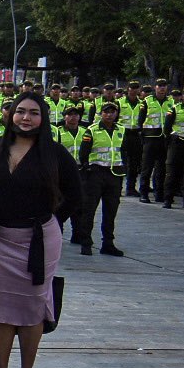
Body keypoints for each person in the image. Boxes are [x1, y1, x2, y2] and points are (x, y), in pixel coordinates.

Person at [0, 94, 82, 368]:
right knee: (1, 307)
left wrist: (49, 223)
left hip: (40, 240)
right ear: (8, 115)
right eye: (20, 111)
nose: (25, 117)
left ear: (43, 118)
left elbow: (76, 196)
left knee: (34, 306)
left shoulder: (55, 153)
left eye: (34, 113)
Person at [74, 101, 126, 256]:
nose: (109, 114)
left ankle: (108, 243)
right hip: (95, 174)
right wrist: (87, 168)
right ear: (101, 113)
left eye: (112, 112)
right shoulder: (92, 130)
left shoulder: (121, 130)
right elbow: (83, 154)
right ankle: (86, 242)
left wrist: (125, 167)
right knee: (89, 210)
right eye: (106, 112)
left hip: (114, 174)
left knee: (111, 211)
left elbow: (124, 151)